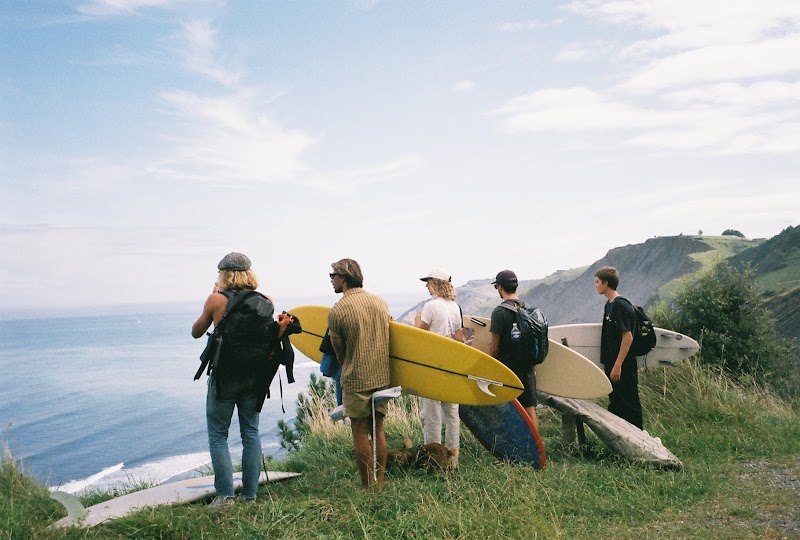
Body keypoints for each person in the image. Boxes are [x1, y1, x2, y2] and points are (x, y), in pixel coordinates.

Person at [191, 252, 275, 507]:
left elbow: (196, 332)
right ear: (249, 274)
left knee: (218, 435)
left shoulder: (216, 300)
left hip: (225, 377)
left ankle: (226, 496)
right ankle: (250, 496)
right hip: (254, 377)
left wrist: (214, 299)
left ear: (224, 275)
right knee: (251, 432)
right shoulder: (266, 301)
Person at [327, 258, 392, 492]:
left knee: (360, 433)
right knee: (378, 430)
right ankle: (380, 484)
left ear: (343, 278)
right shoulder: (379, 302)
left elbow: (339, 349)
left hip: (356, 378)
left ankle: (367, 487)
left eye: (333, 276)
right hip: (382, 376)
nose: (331, 280)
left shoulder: (338, 310)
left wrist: (348, 364)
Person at [414, 268, 461, 464]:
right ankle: (452, 460)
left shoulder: (430, 306)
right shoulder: (455, 307)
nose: (426, 285)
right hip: (451, 364)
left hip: (433, 365)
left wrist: (417, 321)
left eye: (428, 281)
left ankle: (433, 460)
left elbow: (419, 336)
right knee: (452, 415)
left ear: (436, 283)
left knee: (431, 415)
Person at [489, 270, 539, 432]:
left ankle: (510, 442)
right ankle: (536, 444)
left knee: (507, 409)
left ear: (500, 287)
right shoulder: (527, 307)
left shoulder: (499, 312)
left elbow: (494, 347)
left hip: (508, 367)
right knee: (529, 408)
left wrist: (490, 366)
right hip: (527, 366)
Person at [594, 266, 643, 428]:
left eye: (597, 282)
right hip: (613, 364)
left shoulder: (620, 305)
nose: (595, 285)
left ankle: (639, 439)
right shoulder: (609, 305)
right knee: (616, 404)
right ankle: (621, 439)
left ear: (606, 283)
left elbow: (627, 337)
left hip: (623, 366)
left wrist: (617, 365)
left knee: (629, 404)